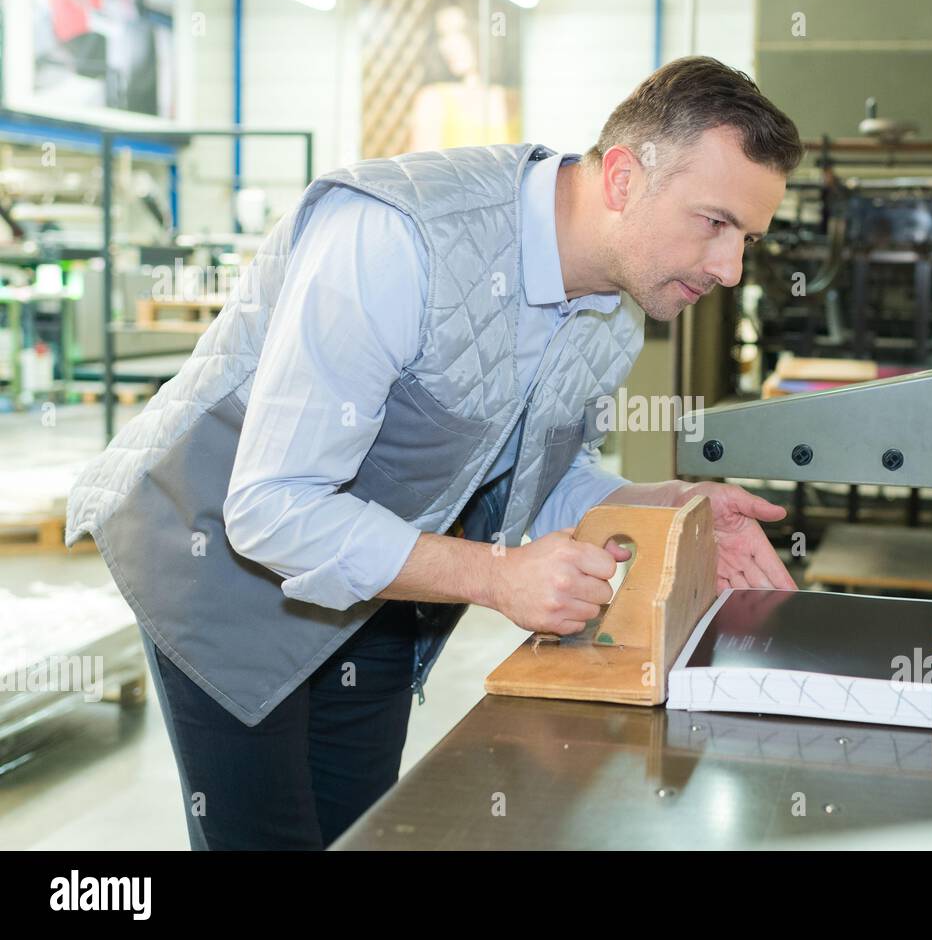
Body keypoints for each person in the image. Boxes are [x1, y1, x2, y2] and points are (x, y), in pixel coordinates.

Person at [66, 55, 804, 849]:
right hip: (220, 570)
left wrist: (663, 503)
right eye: (714, 223)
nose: (730, 269)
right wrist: (494, 576)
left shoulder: (616, 315)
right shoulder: (399, 236)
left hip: (377, 590)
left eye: (748, 239)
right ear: (623, 179)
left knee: (360, 832)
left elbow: (535, 480)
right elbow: (272, 507)